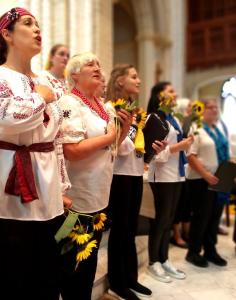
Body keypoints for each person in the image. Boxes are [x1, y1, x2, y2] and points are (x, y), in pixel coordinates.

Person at [0, 7, 71, 299]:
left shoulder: (48, 80)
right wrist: (39, 97)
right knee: (9, 275)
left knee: (44, 276)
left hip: (48, 188)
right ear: (7, 34)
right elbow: (10, 116)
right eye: (28, 24)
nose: (37, 29)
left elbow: (56, 138)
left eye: (38, 24)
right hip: (7, 187)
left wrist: (63, 185)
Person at [58, 53, 132, 300]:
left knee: (88, 262)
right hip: (75, 200)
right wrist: (111, 137)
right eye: (90, 64)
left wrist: (121, 132)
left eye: (99, 64)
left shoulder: (102, 106)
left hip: (99, 196)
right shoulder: (70, 103)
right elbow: (72, 150)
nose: (98, 68)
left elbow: (112, 150)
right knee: (72, 263)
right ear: (74, 74)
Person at [106, 64, 166, 299]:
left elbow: (136, 148)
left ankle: (130, 278)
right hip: (118, 176)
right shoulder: (112, 109)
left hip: (134, 174)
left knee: (130, 229)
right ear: (120, 81)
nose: (139, 80)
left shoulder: (136, 111)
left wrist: (152, 148)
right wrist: (128, 129)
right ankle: (117, 281)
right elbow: (115, 148)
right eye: (133, 76)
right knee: (120, 230)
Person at [146, 82, 193, 283]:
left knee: (170, 219)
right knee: (161, 219)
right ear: (159, 95)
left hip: (176, 174)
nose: (175, 94)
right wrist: (178, 147)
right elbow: (152, 156)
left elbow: (179, 148)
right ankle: (153, 262)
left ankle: (164, 259)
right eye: (171, 91)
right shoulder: (154, 118)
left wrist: (187, 144)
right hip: (162, 174)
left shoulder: (173, 118)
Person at [185, 98, 228, 267]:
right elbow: (190, 156)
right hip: (200, 180)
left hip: (219, 179)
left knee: (214, 217)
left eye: (216, 107)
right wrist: (206, 175)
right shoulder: (197, 128)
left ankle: (210, 250)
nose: (214, 110)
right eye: (210, 107)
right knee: (201, 217)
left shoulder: (216, 129)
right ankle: (193, 252)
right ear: (201, 110)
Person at [171, 98, 192, 248]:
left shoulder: (189, 122)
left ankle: (186, 232)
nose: (191, 108)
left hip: (185, 169)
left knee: (186, 203)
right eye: (189, 106)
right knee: (178, 205)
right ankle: (177, 234)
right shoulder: (177, 122)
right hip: (176, 167)